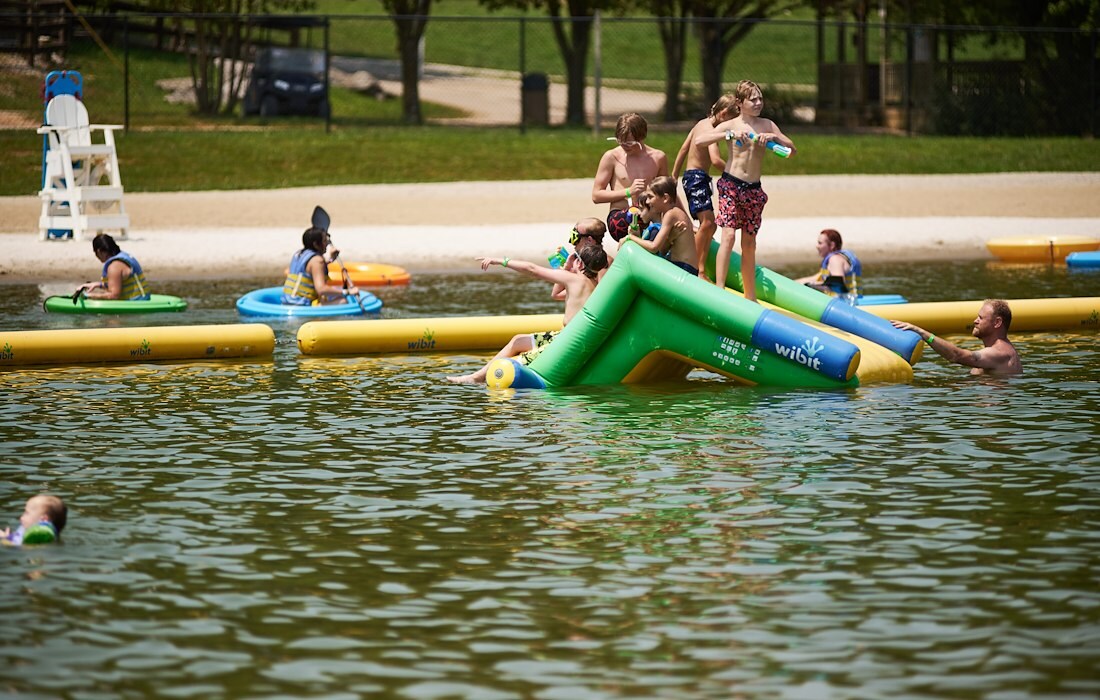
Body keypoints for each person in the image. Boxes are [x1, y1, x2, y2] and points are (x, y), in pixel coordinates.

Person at [447, 244, 609, 384]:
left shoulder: (574, 280)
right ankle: (476, 377)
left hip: (567, 343)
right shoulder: (597, 285)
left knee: (514, 363)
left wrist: (502, 261)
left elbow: (533, 270)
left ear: (579, 263)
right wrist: (567, 267)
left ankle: (477, 378)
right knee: (518, 340)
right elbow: (557, 294)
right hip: (566, 336)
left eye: (575, 259)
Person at [695, 80, 796, 302]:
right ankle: (719, 291)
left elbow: (791, 150)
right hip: (731, 184)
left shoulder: (767, 125)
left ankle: (750, 297)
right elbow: (700, 140)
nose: (759, 102)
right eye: (753, 99)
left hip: (754, 190)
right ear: (740, 103)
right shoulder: (731, 125)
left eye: (760, 98)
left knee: (749, 244)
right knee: (728, 235)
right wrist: (727, 136)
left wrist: (775, 137)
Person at [673, 94, 736, 279]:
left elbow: (683, 149)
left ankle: (700, 266)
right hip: (696, 179)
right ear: (724, 114)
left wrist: (674, 175)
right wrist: (735, 174)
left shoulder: (701, 123)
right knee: (707, 222)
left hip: (692, 177)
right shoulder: (711, 131)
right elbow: (716, 160)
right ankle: (695, 268)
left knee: (711, 225)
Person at [592, 112, 670, 242]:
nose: (625, 146)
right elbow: (596, 195)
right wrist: (628, 191)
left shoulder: (658, 158)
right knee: (633, 217)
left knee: (669, 228)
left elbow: (668, 194)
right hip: (621, 216)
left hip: (649, 216)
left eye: (630, 143)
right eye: (621, 142)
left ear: (641, 137)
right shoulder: (612, 157)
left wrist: (681, 218)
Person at [891, 299, 1022, 375]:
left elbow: (957, 356)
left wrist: (923, 333)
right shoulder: (1001, 350)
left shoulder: (999, 353)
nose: (975, 321)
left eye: (981, 318)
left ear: (997, 322)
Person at [620, 176, 699, 275]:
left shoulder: (671, 214)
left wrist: (630, 238)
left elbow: (654, 247)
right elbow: (662, 250)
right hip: (680, 266)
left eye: (650, 197)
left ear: (665, 198)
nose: (648, 201)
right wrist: (670, 238)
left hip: (685, 269)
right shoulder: (666, 214)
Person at [282, 226, 360, 306]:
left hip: (288, 301)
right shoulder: (317, 260)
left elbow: (310, 270)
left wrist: (330, 259)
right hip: (300, 304)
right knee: (343, 301)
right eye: (324, 241)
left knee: (326, 298)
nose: (327, 244)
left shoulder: (298, 254)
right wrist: (347, 291)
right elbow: (321, 289)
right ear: (316, 244)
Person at [795, 228, 862, 301]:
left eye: (820, 243)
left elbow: (837, 285)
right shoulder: (836, 260)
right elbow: (814, 279)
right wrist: (790, 283)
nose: (817, 246)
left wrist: (812, 285)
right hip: (847, 300)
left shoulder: (835, 260)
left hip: (848, 303)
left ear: (832, 245)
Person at [78, 233, 151, 300]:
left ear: (99, 251)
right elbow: (117, 284)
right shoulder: (123, 256)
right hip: (144, 299)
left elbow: (114, 295)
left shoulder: (114, 267)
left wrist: (88, 295)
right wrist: (97, 285)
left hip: (136, 305)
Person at [1, 494, 67, 546]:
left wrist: (5, 539)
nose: (21, 517)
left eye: (27, 513)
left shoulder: (39, 536)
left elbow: (24, 548)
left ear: (44, 519)